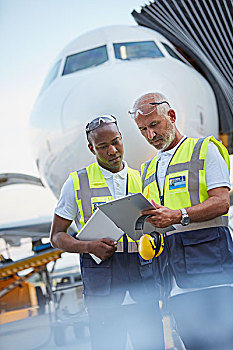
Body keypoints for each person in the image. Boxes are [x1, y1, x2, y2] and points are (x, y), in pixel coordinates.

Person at [50, 115, 165, 350]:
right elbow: (56, 236)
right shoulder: (76, 183)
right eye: (103, 147)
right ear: (91, 148)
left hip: (142, 280)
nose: (112, 151)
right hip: (103, 285)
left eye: (116, 142)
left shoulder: (142, 178)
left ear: (122, 138)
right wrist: (87, 247)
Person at [129, 92, 233, 350]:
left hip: (212, 274)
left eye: (154, 125)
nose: (150, 136)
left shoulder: (205, 149)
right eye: (143, 130)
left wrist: (179, 215)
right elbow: (158, 219)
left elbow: (222, 201)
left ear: (172, 117)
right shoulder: (147, 169)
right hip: (173, 279)